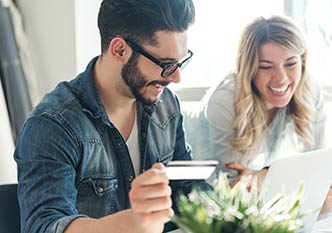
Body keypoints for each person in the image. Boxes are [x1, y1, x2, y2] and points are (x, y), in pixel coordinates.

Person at [14, 0, 210, 232]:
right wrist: (132, 224)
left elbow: (188, 188)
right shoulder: (53, 125)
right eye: (166, 64)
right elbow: (44, 225)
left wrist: (232, 206)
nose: (176, 78)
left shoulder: (166, 106)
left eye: (179, 62)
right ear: (119, 50)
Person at [184, 15, 332, 214]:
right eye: (266, 66)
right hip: (194, 187)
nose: (281, 78)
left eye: (290, 63)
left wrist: (265, 176)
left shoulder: (307, 88)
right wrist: (300, 191)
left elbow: (319, 168)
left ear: (303, 61)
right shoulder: (225, 100)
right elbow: (236, 188)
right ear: (249, 68)